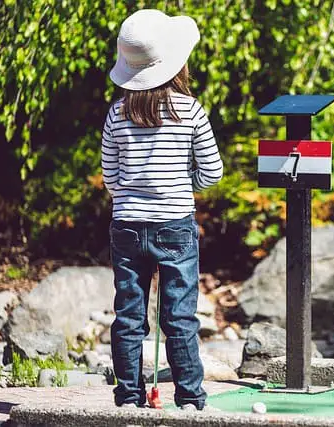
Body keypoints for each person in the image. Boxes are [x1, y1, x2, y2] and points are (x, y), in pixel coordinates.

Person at [101, 9, 223, 410]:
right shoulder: (190, 110)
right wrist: (183, 186)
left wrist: (133, 195)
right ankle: (189, 398)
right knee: (180, 317)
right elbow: (213, 171)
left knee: (129, 317)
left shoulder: (116, 113)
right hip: (175, 225)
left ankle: (129, 397)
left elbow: (110, 175)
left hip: (127, 227)